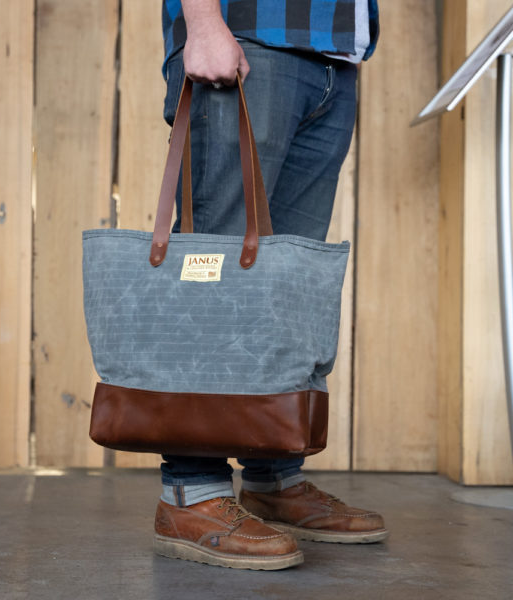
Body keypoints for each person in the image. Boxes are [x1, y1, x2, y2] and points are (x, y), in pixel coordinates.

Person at [154, 0, 386, 570]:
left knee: (287, 283)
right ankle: (190, 492)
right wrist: (204, 23)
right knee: (215, 270)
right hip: (248, 37)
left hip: (333, 55)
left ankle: (272, 477)